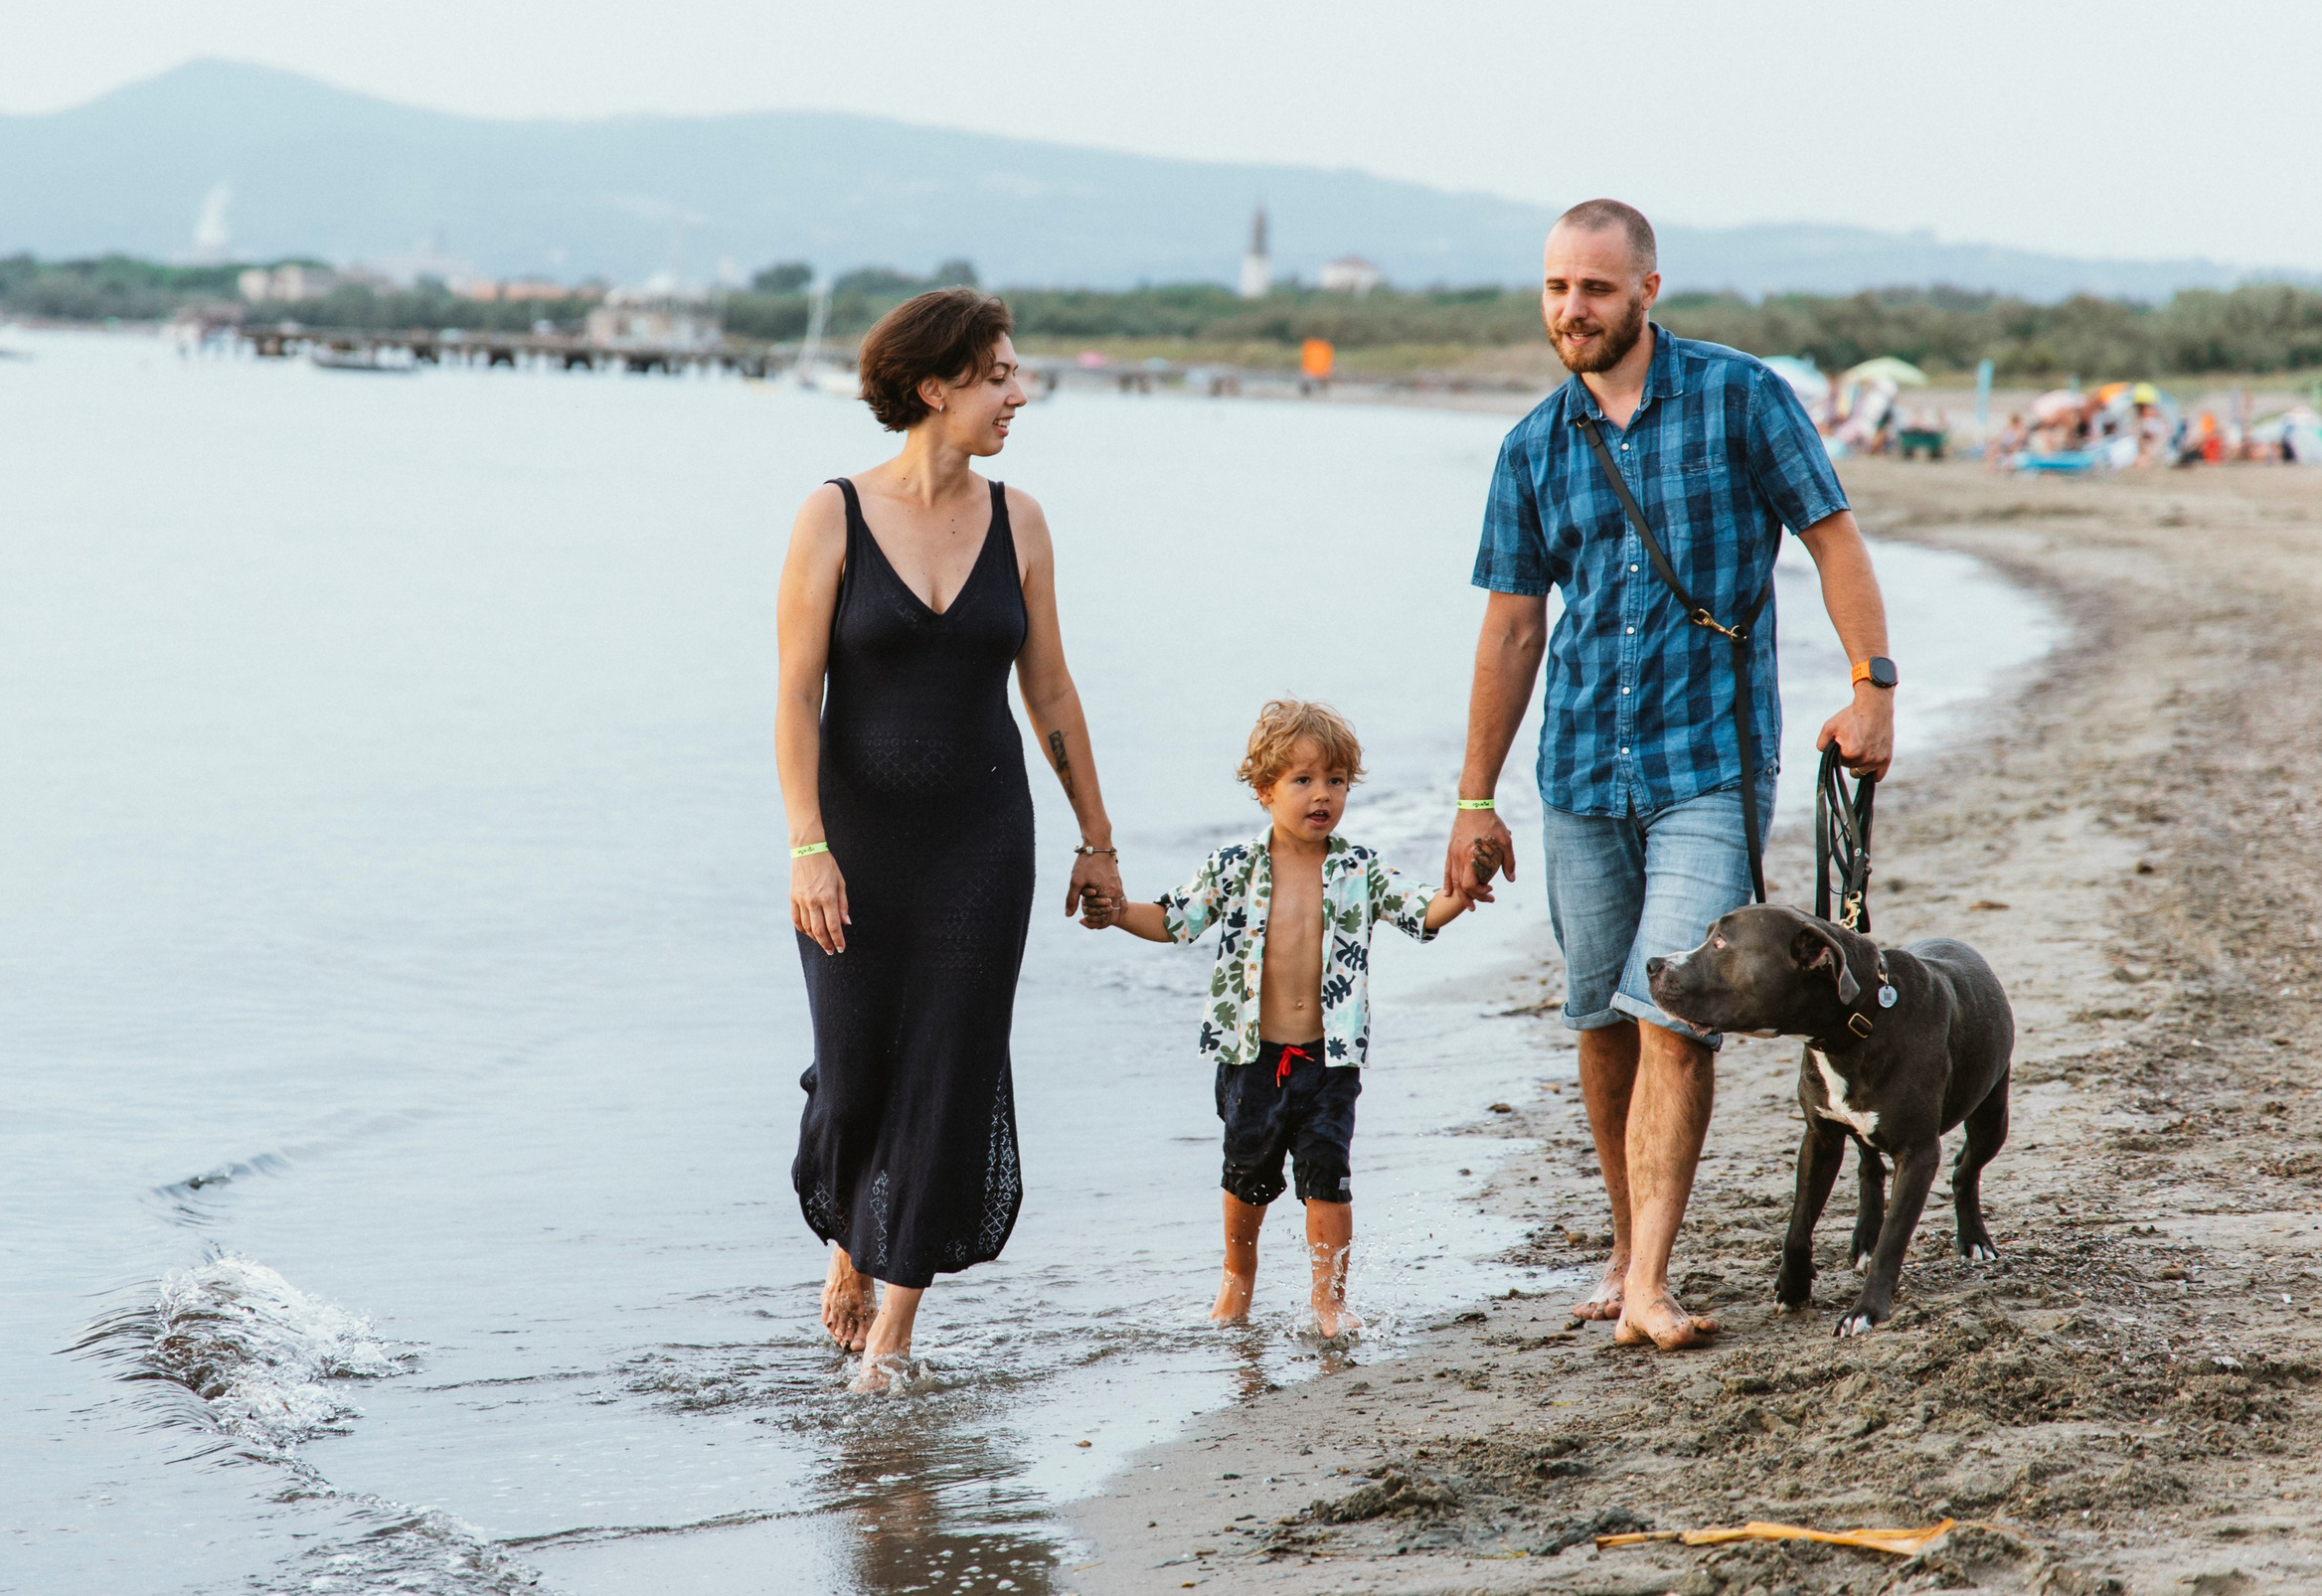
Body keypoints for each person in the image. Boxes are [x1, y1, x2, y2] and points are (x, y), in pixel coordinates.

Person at [1445, 200, 1896, 1353]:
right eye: (1554, 288)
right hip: (1580, 767)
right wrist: (1472, 799)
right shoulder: (1534, 445)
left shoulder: (1740, 397)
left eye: (1593, 287)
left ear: (1647, 288)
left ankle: (1645, 1282)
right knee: (1600, 1016)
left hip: (1708, 759)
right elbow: (1510, 630)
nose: (1570, 310)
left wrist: (1871, 685)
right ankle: (1626, 1246)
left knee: (1674, 1017)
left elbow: (1831, 536)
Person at [774, 288, 1123, 1387]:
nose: (1018, 393)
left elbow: (1052, 692)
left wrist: (1096, 840)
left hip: (983, 840)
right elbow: (793, 698)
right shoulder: (830, 514)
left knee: (952, 1066)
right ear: (935, 386)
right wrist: (806, 845)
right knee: (853, 1071)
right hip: (857, 846)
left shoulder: (1021, 521)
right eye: (998, 376)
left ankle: (892, 1333)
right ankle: (852, 1241)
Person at [1088, 701, 1472, 1337]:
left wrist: (1466, 884)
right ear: (1265, 790)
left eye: (1335, 781)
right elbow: (1173, 919)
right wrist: (1116, 910)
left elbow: (1423, 913)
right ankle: (1237, 1277)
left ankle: (1329, 1300)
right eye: (1303, 781)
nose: (1322, 795)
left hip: (1329, 1059)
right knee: (1247, 1170)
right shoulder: (1234, 866)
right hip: (1251, 1057)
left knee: (1328, 1174)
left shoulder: (1360, 868)